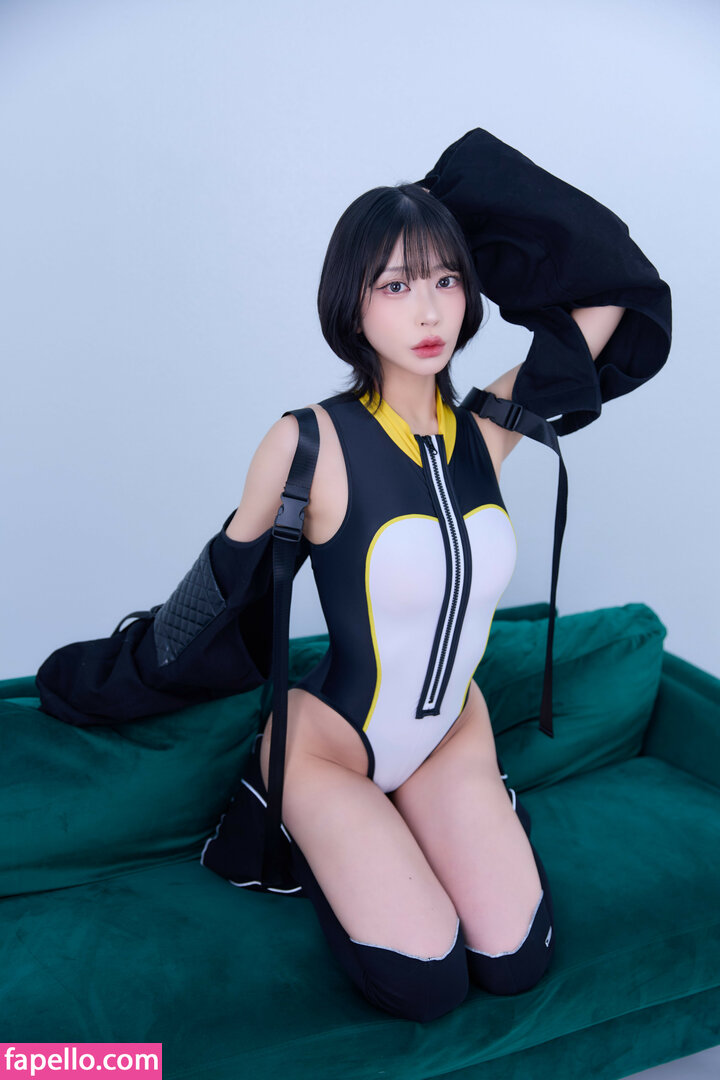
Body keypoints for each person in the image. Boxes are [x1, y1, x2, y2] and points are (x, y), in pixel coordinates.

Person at [221, 183, 625, 1022]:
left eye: (447, 280)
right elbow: (217, 594)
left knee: (516, 965)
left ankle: (423, 814)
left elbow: (614, 283)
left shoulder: (490, 427)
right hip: (330, 749)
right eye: (395, 284)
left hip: (449, 736)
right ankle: (317, 828)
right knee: (426, 985)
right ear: (352, 301)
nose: (429, 309)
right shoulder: (307, 442)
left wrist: (456, 200)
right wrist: (109, 683)